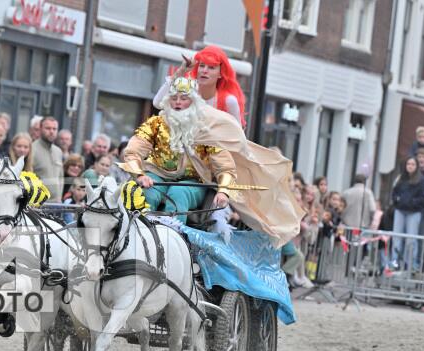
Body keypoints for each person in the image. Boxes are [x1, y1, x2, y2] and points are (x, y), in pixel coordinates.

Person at [119, 77, 303, 246]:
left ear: (193, 101)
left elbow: (225, 167)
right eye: (173, 98)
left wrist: (223, 191)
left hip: (192, 182)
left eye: (183, 98)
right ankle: (133, 241)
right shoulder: (156, 123)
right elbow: (133, 150)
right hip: (156, 176)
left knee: (178, 194)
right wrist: (139, 175)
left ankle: (170, 244)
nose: (177, 102)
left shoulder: (207, 128)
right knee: (145, 194)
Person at [154, 45, 247, 127]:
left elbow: (237, 134)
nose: (204, 71)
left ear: (220, 74)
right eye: (202, 66)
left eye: (211, 67)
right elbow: (157, 103)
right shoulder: (188, 91)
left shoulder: (229, 101)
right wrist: (180, 72)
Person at [390, 157, 424, 271]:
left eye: (412, 164)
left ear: (416, 166)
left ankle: (410, 263)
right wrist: (397, 200)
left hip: (414, 212)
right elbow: (394, 192)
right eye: (408, 164)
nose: (410, 166)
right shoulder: (400, 178)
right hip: (400, 210)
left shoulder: (422, 181)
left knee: (411, 239)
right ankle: (395, 261)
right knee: (397, 237)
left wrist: (412, 203)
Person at [31, 116, 63, 202]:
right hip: (38, 204)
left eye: (54, 129)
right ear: (40, 129)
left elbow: (60, 178)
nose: (51, 131)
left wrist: (59, 198)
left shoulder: (58, 151)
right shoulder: (32, 149)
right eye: (48, 128)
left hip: (57, 204)